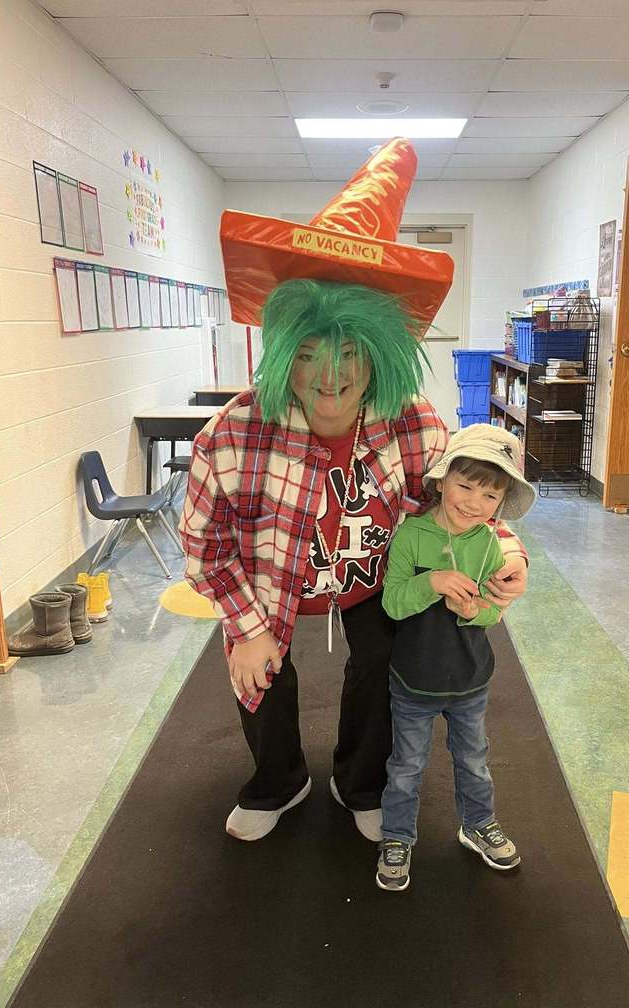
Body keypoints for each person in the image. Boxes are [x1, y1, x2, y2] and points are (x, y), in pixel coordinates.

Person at [180, 139, 529, 846]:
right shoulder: (235, 431)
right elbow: (202, 538)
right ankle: (279, 779)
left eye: (349, 353)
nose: (329, 376)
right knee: (259, 668)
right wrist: (247, 627)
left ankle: (360, 780)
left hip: (376, 579)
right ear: (284, 355)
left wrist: (506, 551)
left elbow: (463, 502)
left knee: (384, 656)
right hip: (270, 585)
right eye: (307, 353)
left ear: (379, 357)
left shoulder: (415, 422)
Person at [376, 424, 536, 892]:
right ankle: (397, 836)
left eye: (489, 496)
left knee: (474, 760)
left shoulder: (490, 544)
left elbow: (492, 613)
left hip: (469, 681)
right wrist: (432, 583)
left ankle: (478, 825)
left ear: (500, 502)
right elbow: (393, 603)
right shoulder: (411, 536)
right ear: (442, 481)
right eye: (464, 486)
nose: (473, 503)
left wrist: (474, 610)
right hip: (413, 681)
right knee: (405, 766)